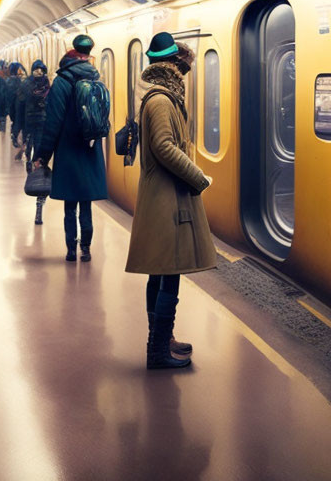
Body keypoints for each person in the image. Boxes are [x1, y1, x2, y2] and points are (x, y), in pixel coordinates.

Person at [124, 32, 216, 369]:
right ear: (173, 67)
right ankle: (158, 351)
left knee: (161, 272)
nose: (187, 76)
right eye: (184, 69)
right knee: (169, 273)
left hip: (165, 193)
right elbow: (164, 147)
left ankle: (162, 339)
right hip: (167, 196)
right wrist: (198, 178)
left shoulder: (157, 94)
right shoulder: (161, 100)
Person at [33, 35, 107, 261]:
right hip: (90, 148)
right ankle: (86, 248)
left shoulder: (62, 81)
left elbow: (53, 122)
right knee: (86, 204)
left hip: (68, 149)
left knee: (70, 205)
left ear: (71, 54)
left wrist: (42, 156)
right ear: (88, 55)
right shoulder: (96, 79)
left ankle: (71, 249)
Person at [18, 59, 51, 223]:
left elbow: (18, 107)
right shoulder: (47, 86)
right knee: (41, 163)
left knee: (32, 160)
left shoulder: (25, 85)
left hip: (29, 127)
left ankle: (31, 178)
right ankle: (39, 203)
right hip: (44, 130)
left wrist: (16, 129)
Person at [7, 62, 27, 155]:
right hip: (17, 105)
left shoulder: (8, 81)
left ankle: (14, 136)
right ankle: (15, 137)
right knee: (18, 122)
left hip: (12, 105)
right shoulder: (18, 81)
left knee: (15, 121)